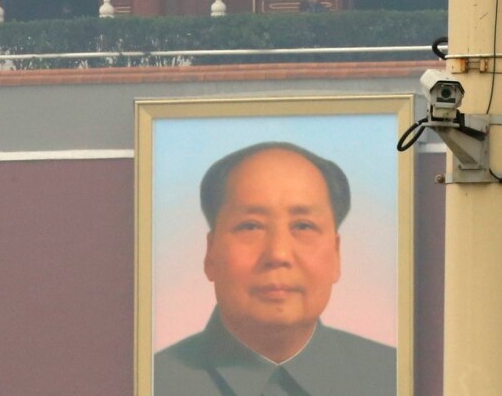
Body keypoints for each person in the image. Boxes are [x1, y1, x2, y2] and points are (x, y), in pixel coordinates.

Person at [154, 142, 396, 396]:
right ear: (210, 253)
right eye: (250, 226)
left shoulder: (395, 377)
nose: (278, 254)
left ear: (336, 254)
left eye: (303, 226)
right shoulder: (149, 381)